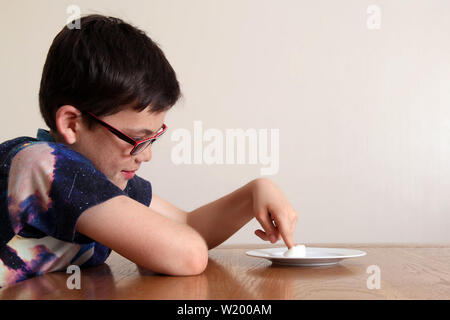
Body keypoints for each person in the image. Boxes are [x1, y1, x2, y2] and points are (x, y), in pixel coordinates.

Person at [0, 14, 298, 288]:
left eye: (153, 138)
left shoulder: (103, 179)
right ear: (72, 123)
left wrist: (254, 193)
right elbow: (187, 253)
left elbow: (188, 226)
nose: (145, 155)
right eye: (135, 138)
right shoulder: (43, 165)